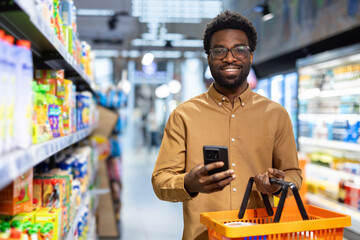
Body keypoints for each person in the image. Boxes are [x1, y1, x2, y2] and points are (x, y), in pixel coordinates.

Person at [152, 10, 301, 240]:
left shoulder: (276, 115)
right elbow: (161, 180)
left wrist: (277, 185)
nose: (229, 58)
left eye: (239, 49)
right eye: (219, 50)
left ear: (250, 56)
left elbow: (293, 173)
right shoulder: (184, 115)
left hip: (258, 234)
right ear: (209, 57)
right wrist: (189, 183)